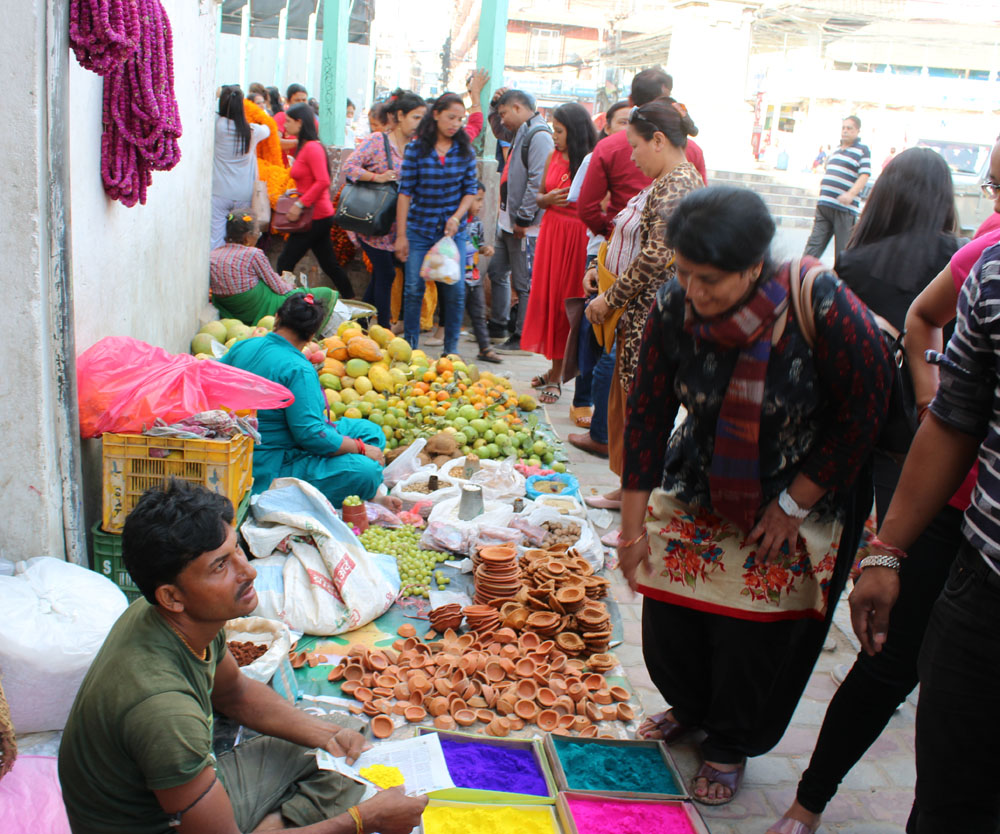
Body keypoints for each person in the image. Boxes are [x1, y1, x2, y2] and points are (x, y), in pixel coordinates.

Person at [618, 186, 890, 806]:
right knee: (672, 617)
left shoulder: (818, 302)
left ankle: (730, 740)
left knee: (751, 633)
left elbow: (864, 412)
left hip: (798, 491)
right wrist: (632, 533)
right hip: (699, 480)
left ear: (753, 267)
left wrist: (794, 501)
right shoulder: (673, 305)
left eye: (710, 279)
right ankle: (689, 705)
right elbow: (646, 419)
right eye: (684, 273)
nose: (695, 292)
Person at [767, 147, 964, 834]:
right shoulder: (968, 257)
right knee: (896, 645)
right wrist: (928, 398)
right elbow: (925, 324)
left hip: (867, 433)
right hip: (932, 456)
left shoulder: (858, 257)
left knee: (870, 583)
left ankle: (806, 802)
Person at [58, 480, 427, 834]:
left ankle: (274, 822)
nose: (248, 570)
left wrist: (329, 735)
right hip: (155, 826)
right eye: (220, 566)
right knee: (348, 790)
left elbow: (235, 692)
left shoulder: (179, 617)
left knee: (346, 738)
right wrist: (364, 821)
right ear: (172, 596)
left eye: (237, 549)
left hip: (177, 795)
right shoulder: (164, 711)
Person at [848, 234, 1000, 832]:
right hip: (985, 593)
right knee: (952, 802)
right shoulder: (991, 270)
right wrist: (885, 553)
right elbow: (956, 419)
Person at [582, 99, 703, 534]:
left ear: (658, 140)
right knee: (631, 404)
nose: (631, 156)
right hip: (636, 311)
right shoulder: (666, 179)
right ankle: (629, 487)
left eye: (635, 146)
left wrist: (611, 298)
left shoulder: (677, 185)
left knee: (644, 409)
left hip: (649, 313)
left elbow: (657, 254)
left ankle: (639, 502)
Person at [221, 295, 396, 507]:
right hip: (270, 463)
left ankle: (365, 480)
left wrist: (359, 445)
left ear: (277, 317)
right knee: (365, 471)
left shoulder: (243, 346)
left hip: (246, 444)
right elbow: (311, 436)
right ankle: (367, 487)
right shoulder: (298, 369)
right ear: (312, 335)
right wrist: (360, 448)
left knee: (370, 431)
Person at [521, 102, 598, 403]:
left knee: (567, 305)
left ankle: (557, 376)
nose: (554, 136)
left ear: (574, 132)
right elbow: (539, 197)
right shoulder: (554, 155)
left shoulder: (591, 161)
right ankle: (554, 368)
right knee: (549, 300)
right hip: (551, 233)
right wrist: (548, 198)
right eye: (554, 130)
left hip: (578, 236)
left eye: (559, 131)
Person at [577, 67, 707, 246]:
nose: (632, 156)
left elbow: (587, 208)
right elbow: (701, 210)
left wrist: (614, 232)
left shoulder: (609, 146)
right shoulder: (691, 150)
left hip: (639, 255)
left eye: (635, 147)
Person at [564, 99, 631, 439]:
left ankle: (604, 426)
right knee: (593, 331)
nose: (628, 129)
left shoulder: (657, 167)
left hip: (623, 262)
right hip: (603, 255)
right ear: (607, 126)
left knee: (612, 341)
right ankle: (583, 401)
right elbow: (582, 203)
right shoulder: (601, 155)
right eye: (622, 122)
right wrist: (607, 231)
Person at [395, 92, 479, 356]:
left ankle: (450, 351)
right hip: (419, 228)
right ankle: (410, 347)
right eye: (450, 117)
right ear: (436, 115)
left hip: (453, 232)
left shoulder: (465, 150)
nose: (455, 123)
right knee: (413, 288)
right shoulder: (416, 149)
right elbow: (405, 192)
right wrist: (401, 235)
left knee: (454, 290)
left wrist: (457, 216)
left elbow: (470, 191)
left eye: (460, 119)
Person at [342, 89, 427, 327]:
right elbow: (349, 168)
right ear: (400, 116)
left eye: (423, 118)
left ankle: (357, 323)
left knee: (380, 276)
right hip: (374, 223)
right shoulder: (377, 141)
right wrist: (376, 178)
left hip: (399, 226)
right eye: (415, 117)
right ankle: (383, 328)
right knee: (387, 274)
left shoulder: (416, 148)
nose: (419, 124)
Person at [487, 89, 554, 353]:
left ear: (517, 108)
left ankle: (522, 334)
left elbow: (538, 179)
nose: (502, 120)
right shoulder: (521, 130)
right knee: (497, 271)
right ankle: (498, 324)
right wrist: (494, 106)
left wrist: (524, 218)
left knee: (524, 282)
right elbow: (498, 132)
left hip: (523, 224)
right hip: (507, 220)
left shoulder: (538, 136)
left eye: (504, 113)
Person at [275, 103, 355, 300]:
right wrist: (297, 191)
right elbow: (311, 180)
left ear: (300, 122)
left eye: (288, 121)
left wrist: (300, 204)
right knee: (329, 265)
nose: (284, 125)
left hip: (314, 216)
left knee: (285, 263)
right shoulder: (305, 147)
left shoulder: (312, 148)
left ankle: (285, 303)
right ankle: (351, 299)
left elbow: (323, 181)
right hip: (316, 215)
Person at [209, 211, 335, 326]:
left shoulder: (213, 255)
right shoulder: (253, 254)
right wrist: (292, 287)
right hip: (256, 307)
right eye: (257, 233)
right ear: (247, 237)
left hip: (231, 309)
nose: (258, 236)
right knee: (324, 293)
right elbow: (279, 288)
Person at [211, 85, 271, 250]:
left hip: (219, 192)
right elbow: (268, 127)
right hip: (244, 194)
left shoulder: (217, 124)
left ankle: (216, 272)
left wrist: (218, 95)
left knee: (216, 241)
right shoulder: (252, 131)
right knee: (242, 241)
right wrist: (257, 110)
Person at [804, 115, 871, 258]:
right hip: (825, 206)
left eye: (849, 128)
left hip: (844, 209)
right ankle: (801, 276)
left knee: (843, 253)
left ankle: (841, 279)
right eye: (843, 128)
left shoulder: (862, 150)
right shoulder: (835, 150)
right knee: (812, 248)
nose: (845, 131)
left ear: (857, 131)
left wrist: (851, 194)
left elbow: (864, 175)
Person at [463, 182, 501, 363]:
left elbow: (478, 244)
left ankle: (484, 348)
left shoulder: (477, 223)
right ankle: (450, 349)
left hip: (473, 275)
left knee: (478, 312)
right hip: (457, 275)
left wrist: (485, 249)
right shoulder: (457, 221)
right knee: (454, 312)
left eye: (482, 201)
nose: (480, 205)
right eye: (477, 200)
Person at [275, 84, 316, 161]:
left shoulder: (311, 120)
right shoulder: (280, 117)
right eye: (297, 100)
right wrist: (299, 142)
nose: (301, 103)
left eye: (304, 100)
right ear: (288, 101)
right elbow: (275, 142)